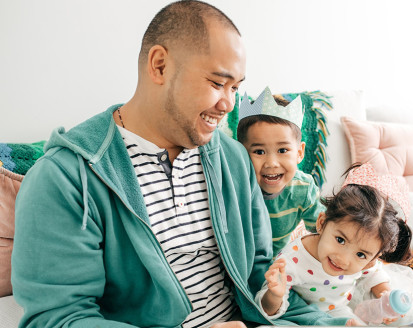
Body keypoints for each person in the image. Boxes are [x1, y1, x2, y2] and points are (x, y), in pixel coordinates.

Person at [11, 1, 349, 327]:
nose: (228, 104)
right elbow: (57, 318)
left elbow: (262, 272)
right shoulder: (64, 179)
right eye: (218, 83)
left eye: (235, 88)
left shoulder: (233, 159)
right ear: (160, 65)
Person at [256, 163, 413, 324]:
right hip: (303, 313)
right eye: (340, 240)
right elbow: (267, 311)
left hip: (338, 310)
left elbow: (374, 272)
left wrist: (385, 296)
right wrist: (275, 295)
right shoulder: (292, 260)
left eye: (360, 254)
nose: (343, 259)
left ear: (374, 256)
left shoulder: (367, 260)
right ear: (321, 223)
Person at [236, 86, 325, 256]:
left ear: (299, 153)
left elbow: (323, 229)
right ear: (241, 153)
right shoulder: (236, 188)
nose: (271, 163)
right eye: (259, 152)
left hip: (279, 262)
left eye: (283, 150)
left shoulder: (303, 187)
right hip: (240, 261)